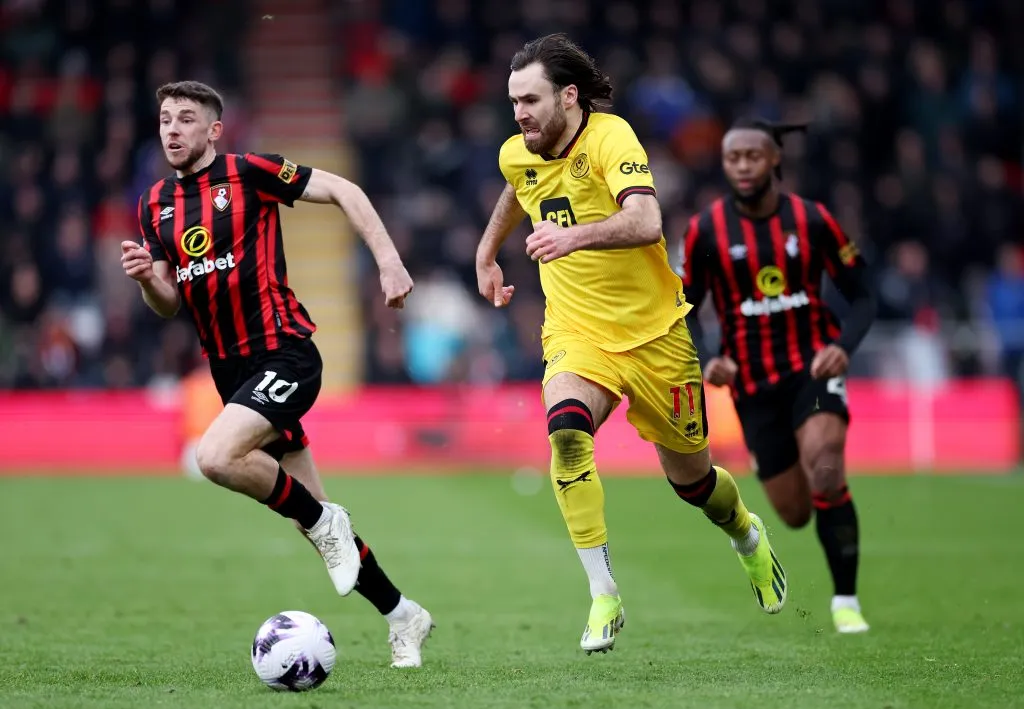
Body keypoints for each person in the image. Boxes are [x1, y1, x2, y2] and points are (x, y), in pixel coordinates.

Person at [475, 35, 787, 655]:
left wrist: (575, 238)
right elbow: (519, 186)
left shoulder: (612, 139)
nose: (520, 114)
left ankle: (747, 534)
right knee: (565, 431)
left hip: (656, 337)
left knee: (694, 484)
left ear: (568, 96)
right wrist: (486, 253)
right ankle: (603, 594)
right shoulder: (521, 151)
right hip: (577, 333)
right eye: (514, 102)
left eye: (530, 100)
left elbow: (646, 221)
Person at [121, 80, 434, 666]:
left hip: (285, 351)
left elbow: (344, 189)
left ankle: (327, 524)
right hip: (231, 371)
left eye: (186, 119)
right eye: (165, 118)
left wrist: (389, 261)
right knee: (309, 514)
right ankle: (403, 616)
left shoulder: (250, 173)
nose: (172, 129)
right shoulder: (153, 203)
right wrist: (146, 278)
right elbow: (168, 303)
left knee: (215, 458)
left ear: (214, 130)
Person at [681, 117, 877, 634]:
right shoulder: (706, 230)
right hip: (752, 386)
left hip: (811, 367)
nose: (742, 165)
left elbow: (863, 296)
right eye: (732, 158)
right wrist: (706, 359)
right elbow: (682, 308)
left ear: (774, 160)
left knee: (827, 469)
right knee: (793, 513)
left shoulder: (813, 221)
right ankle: (786, 532)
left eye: (752, 155)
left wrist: (841, 346)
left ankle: (846, 601)